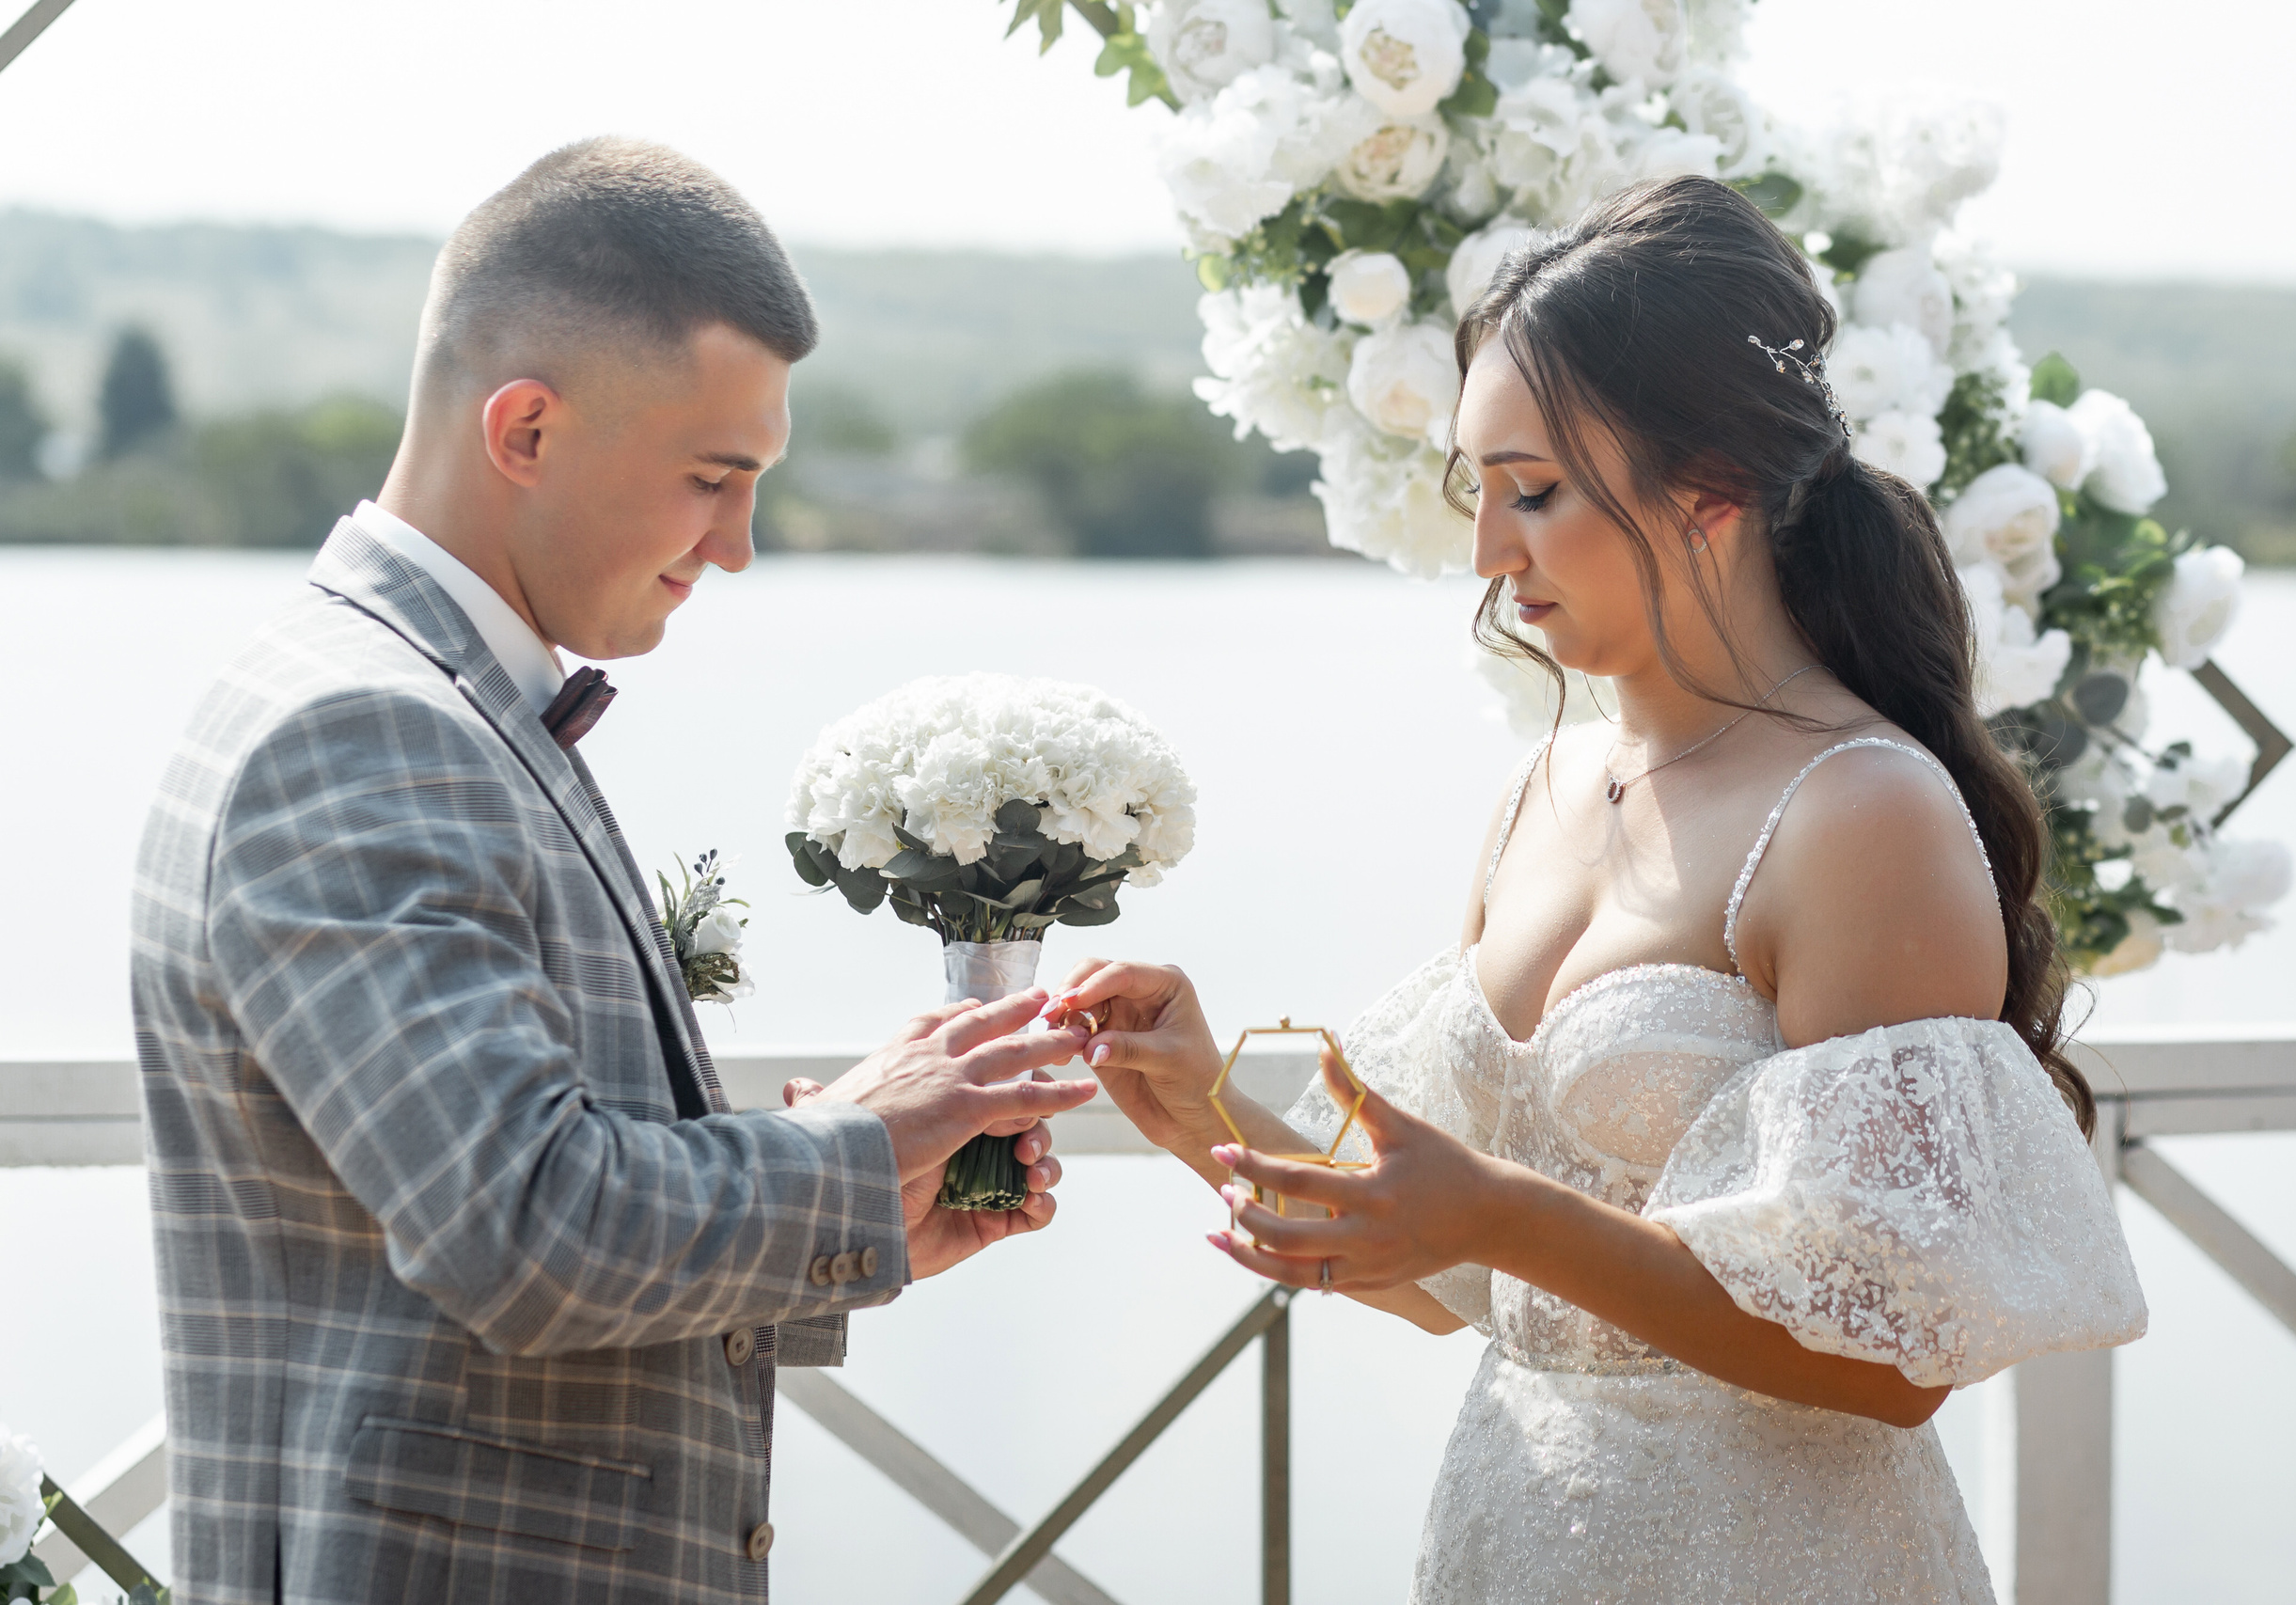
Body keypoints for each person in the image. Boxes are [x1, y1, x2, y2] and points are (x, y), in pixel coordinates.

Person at [1046, 177, 2147, 1603]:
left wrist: (1505, 1217)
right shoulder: (1543, 790)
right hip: (1512, 1541)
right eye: (1481, 492)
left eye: (1538, 492)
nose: (1494, 554)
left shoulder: (1863, 813)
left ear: (1714, 487)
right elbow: (1442, 1277)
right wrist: (1205, 1104)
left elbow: (1888, 1365)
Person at [129, 137, 1096, 1605]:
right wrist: (850, 1148)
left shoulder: (424, 698)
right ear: (523, 429)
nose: (742, 546)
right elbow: (522, 1229)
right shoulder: (362, 733)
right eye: (715, 479)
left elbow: (484, 1232)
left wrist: (866, 1199)